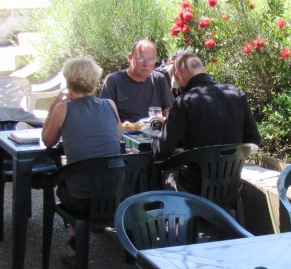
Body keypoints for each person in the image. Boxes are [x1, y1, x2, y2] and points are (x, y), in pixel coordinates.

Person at [152, 52, 260, 193]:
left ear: (179, 76)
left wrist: (156, 126)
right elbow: (254, 139)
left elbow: (160, 152)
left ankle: (155, 206)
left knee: (164, 173)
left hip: (194, 188)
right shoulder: (236, 94)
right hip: (230, 186)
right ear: (203, 70)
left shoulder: (184, 102)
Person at [41, 57, 122, 239]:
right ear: (94, 81)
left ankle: (75, 237)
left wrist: (52, 109)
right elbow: (118, 136)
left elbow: (47, 141)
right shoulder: (109, 105)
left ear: (68, 81)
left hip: (81, 200)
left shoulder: (62, 109)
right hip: (114, 196)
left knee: (63, 181)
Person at [98, 39, 174, 129]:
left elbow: (170, 114)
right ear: (130, 58)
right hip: (124, 135)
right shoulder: (114, 81)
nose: (146, 64)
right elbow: (104, 118)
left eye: (151, 60)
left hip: (154, 133)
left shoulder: (158, 79)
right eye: (141, 59)